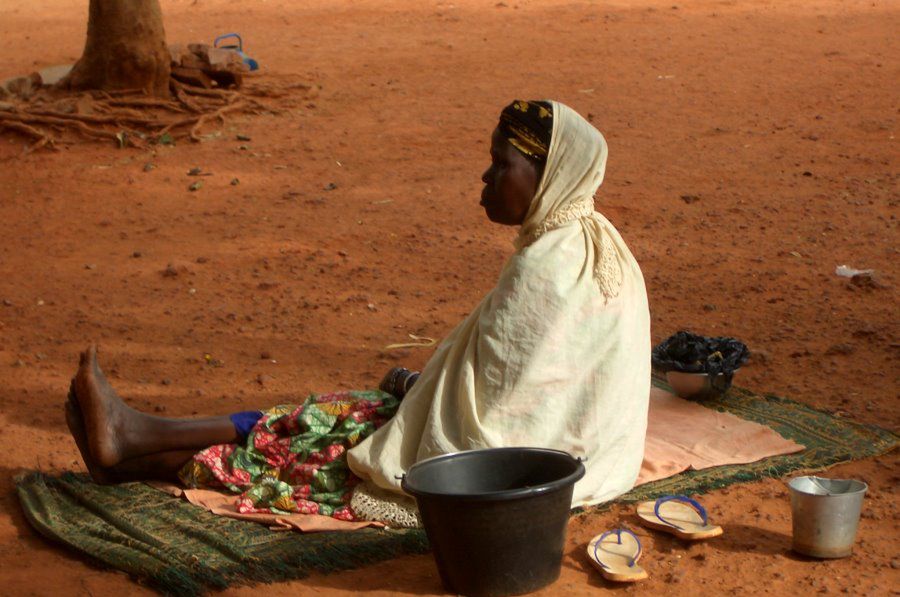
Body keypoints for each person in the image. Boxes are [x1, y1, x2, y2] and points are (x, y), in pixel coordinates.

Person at [65, 100, 651, 522]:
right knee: (338, 414)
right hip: (577, 455)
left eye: (502, 164)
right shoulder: (590, 240)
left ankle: (130, 449)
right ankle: (132, 443)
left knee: (317, 446)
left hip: (507, 470)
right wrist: (421, 388)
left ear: (546, 176)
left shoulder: (542, 269)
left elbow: (493, 422)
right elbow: (527, 389)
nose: (487, 176)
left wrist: (417, 392)